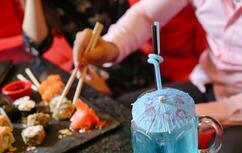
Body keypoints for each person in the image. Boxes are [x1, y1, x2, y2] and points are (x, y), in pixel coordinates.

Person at [73, 0, 242, 153]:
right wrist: (110, 47)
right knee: (118, 116)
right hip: (205, 81)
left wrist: (188, 115)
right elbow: (146, 15)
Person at [21, 0, 153, 97]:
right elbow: (36, 46)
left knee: (86, 98)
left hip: (123, 59)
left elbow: (137, 21)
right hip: (82, 64)